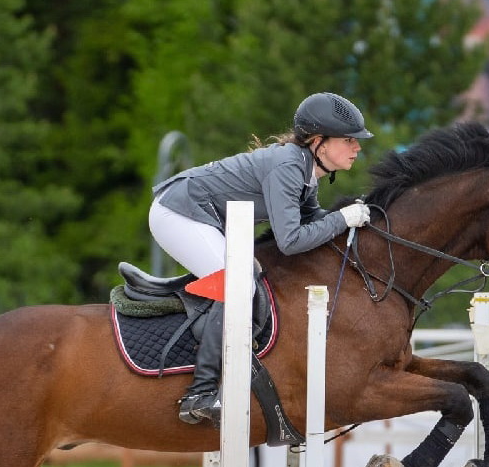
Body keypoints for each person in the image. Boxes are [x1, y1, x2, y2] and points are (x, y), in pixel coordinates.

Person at [149, 92, 375, 426]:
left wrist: (353, 220)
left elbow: (315, 222)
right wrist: (344, 219)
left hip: (200, 214)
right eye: (348, 140)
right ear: (319, 143)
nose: (357, 147)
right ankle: (200, 393)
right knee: (237, 283)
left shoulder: (305, 170)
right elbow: (292, 241)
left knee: (248, 278)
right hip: (178, 213)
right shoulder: (288, 167)